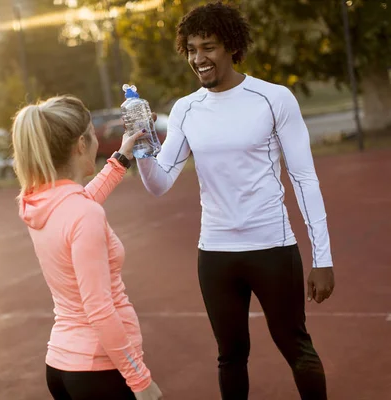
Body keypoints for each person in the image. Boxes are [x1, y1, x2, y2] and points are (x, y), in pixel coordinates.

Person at [136, 2, 335, 399]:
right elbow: (159, 183)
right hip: (215, 253)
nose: (198, 58)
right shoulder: (186, 109)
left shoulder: (273, 98)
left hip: (272, 248)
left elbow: (304, 179)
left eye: (208, 47)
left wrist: (323, 258)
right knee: (230, 356)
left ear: (231, 46)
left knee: (296, 346)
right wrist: (142, 146)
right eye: (192, 49)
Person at [12, 95, 163, 400]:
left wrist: (122, 156)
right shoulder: (83, 213)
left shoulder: (40, 201)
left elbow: (83, 201)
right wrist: (140, 380)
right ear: (81, 144)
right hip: (99, 371)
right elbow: (99, 309)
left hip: (61, 365)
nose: (97, 141)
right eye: (94, 134)